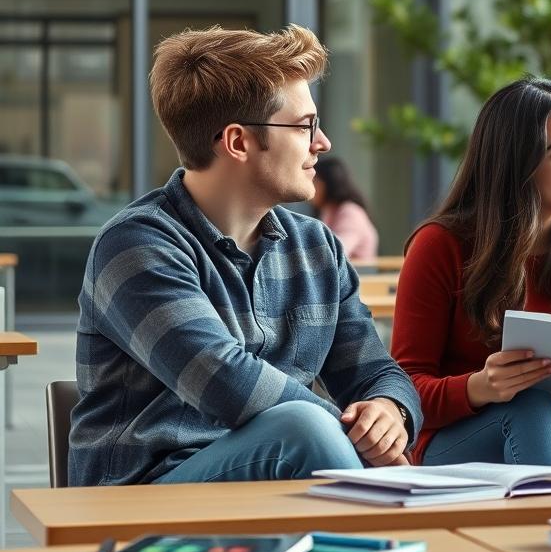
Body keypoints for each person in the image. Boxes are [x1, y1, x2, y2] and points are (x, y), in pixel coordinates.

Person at [69, 25, 422, 487]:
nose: (323, 143)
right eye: (304, 126)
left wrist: (388, 412)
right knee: (303, 428)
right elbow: (225, 383)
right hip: (140, 497)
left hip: (272, 486)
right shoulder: (137, 245)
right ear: (238, 142)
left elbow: (377, 370)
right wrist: (352, 436)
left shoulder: (317, 246)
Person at [392, 76, 551, 470]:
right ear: (517, 165)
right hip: (462, 433)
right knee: (532, 409)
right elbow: (404, 388)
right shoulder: (441, 245)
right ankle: (547, 531)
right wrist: (479, 387)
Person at [312, 156, 378, 261]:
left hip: (358, 275)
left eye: (314, 182)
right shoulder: (329, 210)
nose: (311, 187)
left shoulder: (350, 211)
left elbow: (338, 250)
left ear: (329, 184)